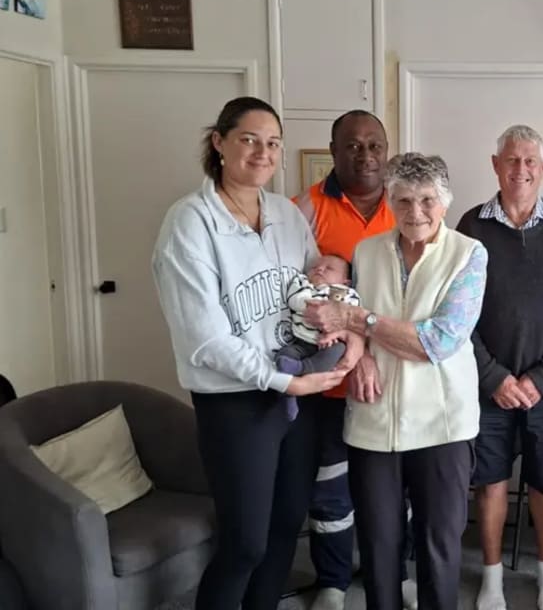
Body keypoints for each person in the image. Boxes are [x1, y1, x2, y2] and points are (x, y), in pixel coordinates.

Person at [152, 96, 357, 610]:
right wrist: (285, 381)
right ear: (219, 143)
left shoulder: (287, 214)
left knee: (286, 526)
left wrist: (352, 333)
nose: (262, 153)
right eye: (249, 139)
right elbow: (203, 337)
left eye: (272, 143)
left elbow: (321, 289)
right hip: (238, 402)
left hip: (298, 396)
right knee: (245, 542)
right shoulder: (189, 222)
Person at [306, 152, 487, 610]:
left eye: (428, 200)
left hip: (442, 424)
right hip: (373, 417)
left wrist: (359, 320)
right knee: (378, 543)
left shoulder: (469, 254)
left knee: (438, 546)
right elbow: (346, 317)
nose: (416, 213)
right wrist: (361, 353)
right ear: (390, 202)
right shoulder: (367, 252)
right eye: (403, 201)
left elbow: (438, 341)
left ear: (444, 203)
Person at [456, 125, 543, 610]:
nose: (521, 169)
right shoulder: (470, 227)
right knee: (489, 481)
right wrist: (494, 377)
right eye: (512, 160)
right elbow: (457, 313)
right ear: (495, 165)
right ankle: (491, 578)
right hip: (487, 387)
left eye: (530, 160)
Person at [293, 109, 417, 610]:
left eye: (374, 145)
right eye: (352, 145)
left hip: (391, 375)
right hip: (326, 378)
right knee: (329, 486)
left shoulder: (408, 207)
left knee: (396, 485)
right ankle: (332, 581)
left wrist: (370, 348)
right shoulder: (304, 209)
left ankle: (396, 571)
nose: (365, 155)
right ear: (333, 149)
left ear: (386, 152)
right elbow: (291, 292)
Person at [275, 254, 360, 377]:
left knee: (337, 351)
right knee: (285, 354)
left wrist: (335, 311)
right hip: (300, 340)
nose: (319, 269)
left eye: (329, 268)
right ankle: (287, 387)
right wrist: (312, 306)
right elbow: (293, 300)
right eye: (314, 267)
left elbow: (351, 312)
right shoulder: (303, 283)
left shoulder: (347, 293)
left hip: (330, 342)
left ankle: (303, 368)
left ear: (345, 282)